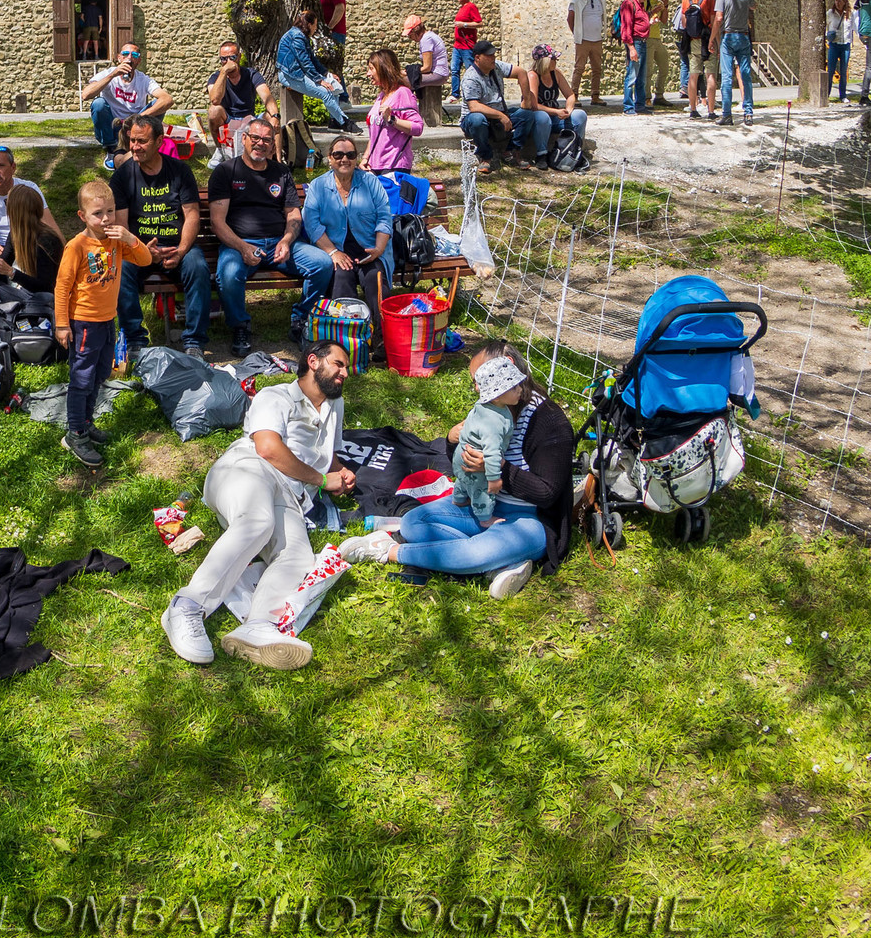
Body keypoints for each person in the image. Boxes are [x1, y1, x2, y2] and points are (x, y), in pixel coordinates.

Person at [161, 342, 388, 671]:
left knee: (297, 557)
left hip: (292, 494)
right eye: (338, 364)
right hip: (247, 469)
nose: (345, 372)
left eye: (346, 368)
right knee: (258, 521)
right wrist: (323, 482)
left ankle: (259, 625)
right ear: (313, 361)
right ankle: (187, 606)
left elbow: (325, 454)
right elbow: (267, 448)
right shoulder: (277, 396)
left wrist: (339, 474)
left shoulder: (334, 406)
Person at [394, 344, 580, 598]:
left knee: (475, 552)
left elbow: (548, 493)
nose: (477, 388)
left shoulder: (549, 422)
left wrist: (497, 470)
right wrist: (452, 441)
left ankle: (389, 551)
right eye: (476, 382)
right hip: (484, 503)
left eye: (480, 379)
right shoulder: (491, 406)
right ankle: (502, 562)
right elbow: (463, 463)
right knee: (412, 523)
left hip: (529, 518)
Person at [54, 178, 154, 467]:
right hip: (83, 323)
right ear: (83, 216)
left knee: (100, 375)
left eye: (110, 211)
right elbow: (62, 287)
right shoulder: (76, 246)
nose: (106, 218)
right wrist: (62, 324)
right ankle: (75, 434)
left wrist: (129, 238)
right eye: (98, 213)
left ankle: (86, 423)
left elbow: (146, 260)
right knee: (81, 378)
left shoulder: (115, 241)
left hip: (108, 320)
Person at [113, 112, 210, 356]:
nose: (135, 147)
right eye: (132, 140)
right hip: (138, 248)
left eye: (142, 141)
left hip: (178, 246)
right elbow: (121, 226)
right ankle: (135, 341)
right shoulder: (123, 176)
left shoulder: (179, 171)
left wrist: (182, 250)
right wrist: (143, 252)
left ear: (159, 141)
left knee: (197, 265)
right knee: (121, 267)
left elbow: (192, 216)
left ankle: (194, 342)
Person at [207, 116, 305, 355]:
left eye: (267, 140)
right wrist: (242, 247)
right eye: (256, 138)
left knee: (322, 264)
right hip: (239, 244)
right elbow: (217, 222)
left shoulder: (281, 172)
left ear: (273, 145)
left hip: (279, 244)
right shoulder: (225, 172)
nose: (261, 144)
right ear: (244, 139)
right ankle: (240, 325)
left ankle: (301, 319)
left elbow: (293, 212)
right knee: (229, 274)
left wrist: (287, 240)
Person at [298, 136, 393, 319]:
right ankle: (347, 338)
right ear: (330, 158)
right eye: (338, 154)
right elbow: (311, 223)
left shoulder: (370, 182)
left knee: (376, 282)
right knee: (341, 281)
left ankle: (382, 338)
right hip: (338, 252)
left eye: (350, 155)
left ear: (356, 158)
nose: (344, 159)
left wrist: (379, 249)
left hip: (370, 251)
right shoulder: (318, 186)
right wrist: (333, 252)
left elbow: (384, 217)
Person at [0, 146, 65, 274]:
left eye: (0, 166)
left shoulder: (28, 188)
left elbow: (52, 228)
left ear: (13, 168)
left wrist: (67, 257)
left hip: (25, 246)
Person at [451, 354, 518, 522]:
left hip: (461, 454)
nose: (520, 390)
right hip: (475, 462)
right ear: (497, 395)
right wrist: (494, 479)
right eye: (514, 388)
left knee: (462, 481)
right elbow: (492, 452)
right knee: (482, 491)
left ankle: (458, 500)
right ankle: (485, 517)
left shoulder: (483, 406)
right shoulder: (493, 422)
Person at [84, 44, 171, 156]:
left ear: (139, 60)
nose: (129, 57)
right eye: (125, 54)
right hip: (112, 127)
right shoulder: (108, 73)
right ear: (119, 58)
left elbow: (167, 99)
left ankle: (139, 139)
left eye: (134, 55)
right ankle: (111, 147)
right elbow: (85, 95)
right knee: (98, 103)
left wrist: (139, 117)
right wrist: (113, 75)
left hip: (134, 127)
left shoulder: (143, 79)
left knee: (159, 104)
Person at [364, 46, 423, 206]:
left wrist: (393, 120)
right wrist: (365, 157)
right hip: (375, 167)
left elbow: (418, 127)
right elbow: (375, 133)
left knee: (391, 217)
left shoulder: (402, 94)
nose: (368, 74)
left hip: (394, 167)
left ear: (383, 68)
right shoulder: (381, 96)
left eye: (371, 69)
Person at [458, 42, 532, 169]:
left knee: (527, 115)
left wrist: (526, 100)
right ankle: (485, 156)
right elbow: (474, 106)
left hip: (499, 114)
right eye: (489, 56)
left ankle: (511, 150)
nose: (493, 58)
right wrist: (500, 116)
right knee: (477, 120)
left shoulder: (496, 67)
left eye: (493, 55)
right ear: (477, 58)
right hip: (476, 117)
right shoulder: (471, 78)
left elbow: (521, 72)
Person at [275, 20, 350, 137]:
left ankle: (334, 122)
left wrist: (326, 74)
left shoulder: (302, 37)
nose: (315, 28)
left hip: (298, 74)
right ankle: (344, 122)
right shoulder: (297, 37)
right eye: (315, 24)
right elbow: (305, 62)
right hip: (290, 76)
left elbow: (313, 60)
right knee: (326, 92)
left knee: (333, 85)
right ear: (309, 24)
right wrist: (319, 80)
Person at [517, 48, 588, 166]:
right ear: (544, 61)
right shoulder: (533, 76)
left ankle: (576, 150)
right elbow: (534, 105)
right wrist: (556, 112)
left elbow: (570, 95)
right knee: (542, 117)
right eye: (554, 58)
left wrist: (569, 110)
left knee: (580, 115)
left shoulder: (556, 73)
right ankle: (541, 155)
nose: (557, 60)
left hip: (555, 117)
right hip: (539, 119)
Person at [206, 40, 279, 153]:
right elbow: (215, 100)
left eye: (232, 57)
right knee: (214, 110)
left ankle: (279, 161)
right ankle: (220, 150)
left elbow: (267, 97)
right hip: (228, 118)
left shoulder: (251, 74)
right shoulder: (216, 77)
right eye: (224, 59)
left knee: (272, 117)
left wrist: (275, 116)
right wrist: (224, 72)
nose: (228, 62)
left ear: (239, 57)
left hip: (250, 118)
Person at [711, 0, 756, 127]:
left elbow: (718, 18)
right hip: (743, 36)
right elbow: (753, 7)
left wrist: (712, 38)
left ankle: (727, 114)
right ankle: (748, 112)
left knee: (727, 77)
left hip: (728, 37)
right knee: (746, 76)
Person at [679, 0, 718, 119]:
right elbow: (714, 21)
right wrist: (714, 41)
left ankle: (693, 110)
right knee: (710, 75)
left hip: (692, 40)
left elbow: (684, 23)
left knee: (693, 75)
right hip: (707, 38)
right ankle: (711, 111)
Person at [566, 0, 606, 108]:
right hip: (583, 40)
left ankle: (595, 95)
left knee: (597, 68)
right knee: (579, 68)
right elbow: (570, 18)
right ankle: (574, 95)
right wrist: (576, 34)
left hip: (597, 39)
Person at [620, 0, 652, 115]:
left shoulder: (641, 5)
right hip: (636, 43)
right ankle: (628, 106)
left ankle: (640, 105)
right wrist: (631, 47)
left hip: (643, 42)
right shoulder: (629, 4)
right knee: (632, 74)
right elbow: (626, 27)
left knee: (641, 76)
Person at [400, 13, 445, 95]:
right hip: (440, 73)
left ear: (416, 29)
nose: (410, 37)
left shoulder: (426, 40)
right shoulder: (429, 36)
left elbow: (427, 67)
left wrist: (407, 72)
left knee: (401, 81)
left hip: (438, 74)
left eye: (410, 34)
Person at [451, 0, 482, 100]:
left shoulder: (471, 7)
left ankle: (472, 93)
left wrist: (464, 25)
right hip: (457, 45)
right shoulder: (462, 8)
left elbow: (479, 23)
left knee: (470, 69)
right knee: (454, 70)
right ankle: (455, 94)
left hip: (467, 46)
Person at [825, 0, 853, 105]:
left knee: (843, 70)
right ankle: (826, 95)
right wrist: (827, 36)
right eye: (836, 0)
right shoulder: (830, 13)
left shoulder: (850, 14)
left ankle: (843, 95)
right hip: (834, 45)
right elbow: (824, 26)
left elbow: (853, 28)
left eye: (840, 1)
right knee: (830, 70)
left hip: (845, 45)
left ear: (844, 2)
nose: (837, 3)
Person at [647, 0, 671, 108]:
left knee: (664, 66)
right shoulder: (647, 0)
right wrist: (654, 9)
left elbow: (664, 21)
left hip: (657, 38)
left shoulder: (661, 3)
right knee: (649, 69)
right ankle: (647, 97)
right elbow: (644, 16)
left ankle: (659, 95)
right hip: (648, 37)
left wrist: (665, 7)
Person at [317, 0, 348, 73]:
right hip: (328, 33)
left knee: (334, 68)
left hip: (335, 33)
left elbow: (340, 8)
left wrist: (330, 27)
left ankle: (341, 89)